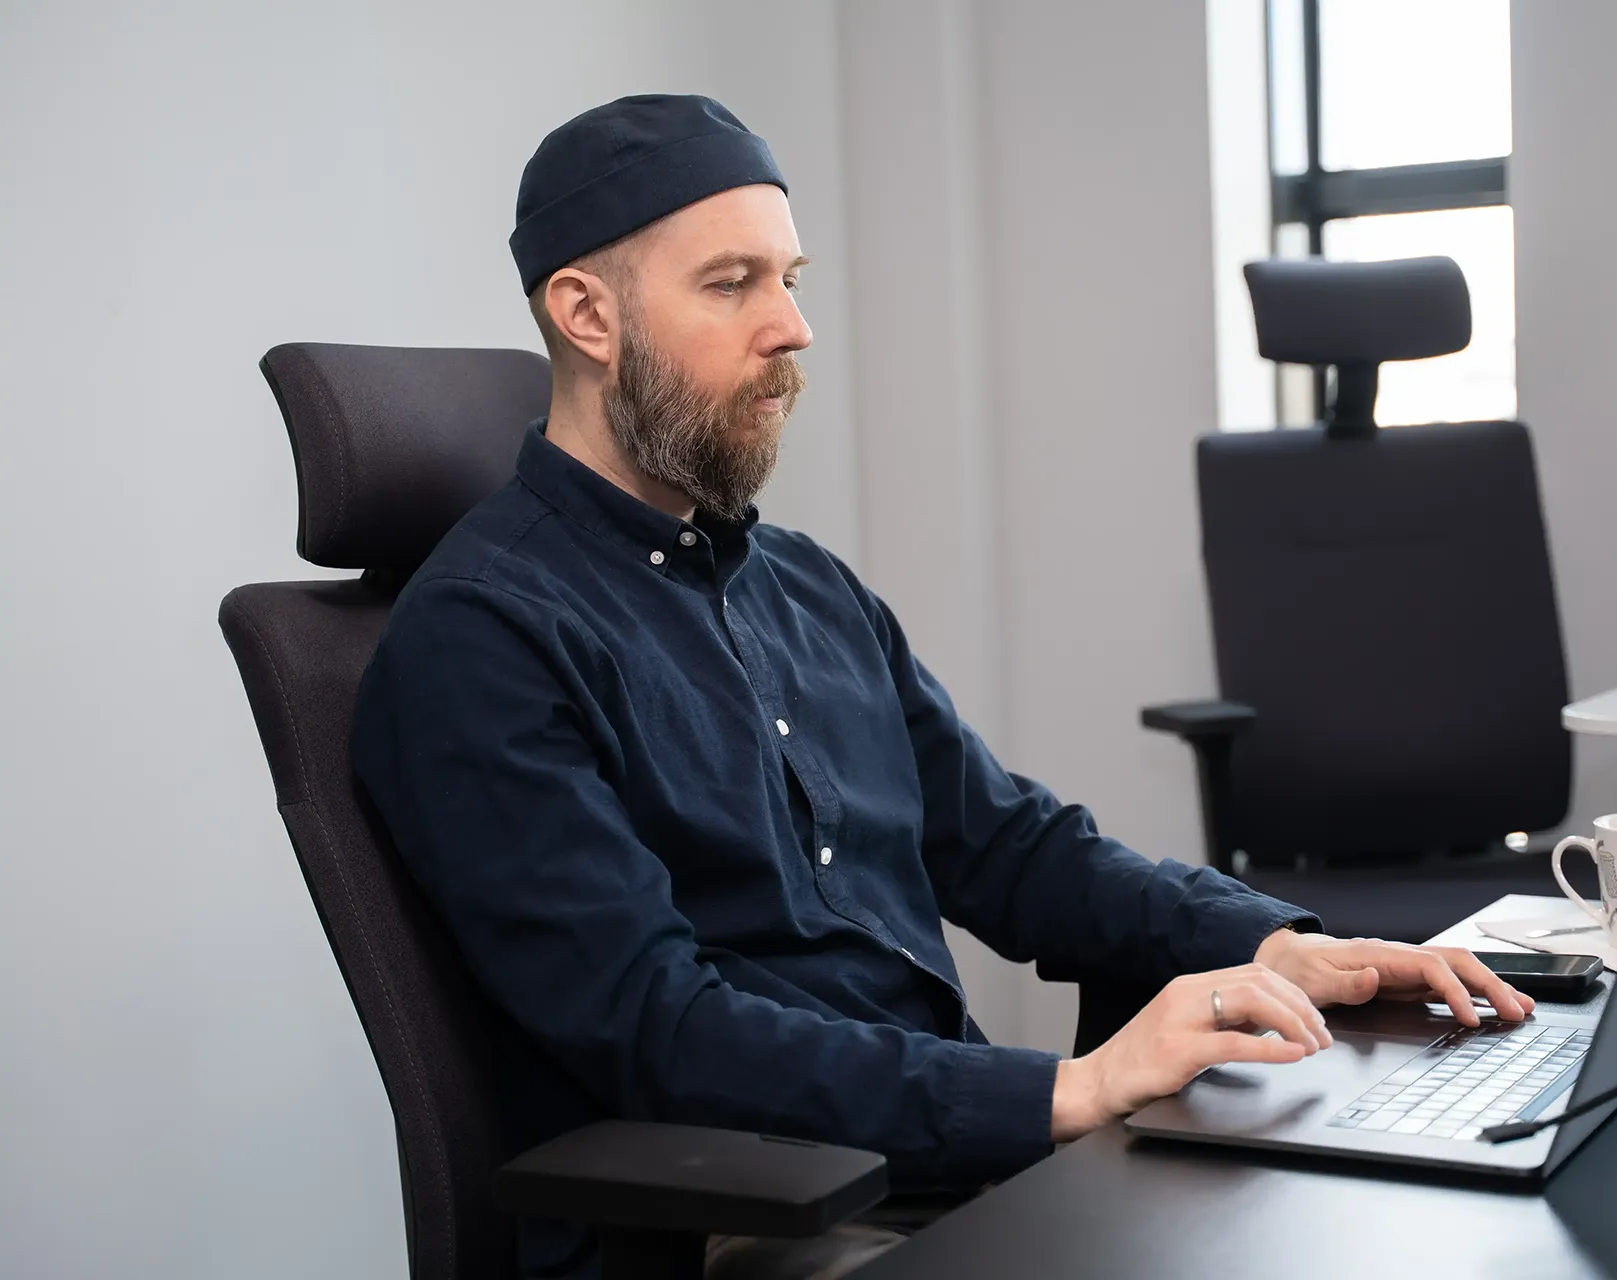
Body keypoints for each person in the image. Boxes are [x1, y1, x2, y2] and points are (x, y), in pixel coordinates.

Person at [351, 94, 1533, 1280]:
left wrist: (1272, 940)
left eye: (793, 278)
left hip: (944, 1169)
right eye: (733, 284)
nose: (794, 326)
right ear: (587, 313)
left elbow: (1010, 846)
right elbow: (661, 1030)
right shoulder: (483, 638)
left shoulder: (804, 585)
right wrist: (1070, 1087)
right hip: (760, 1217)